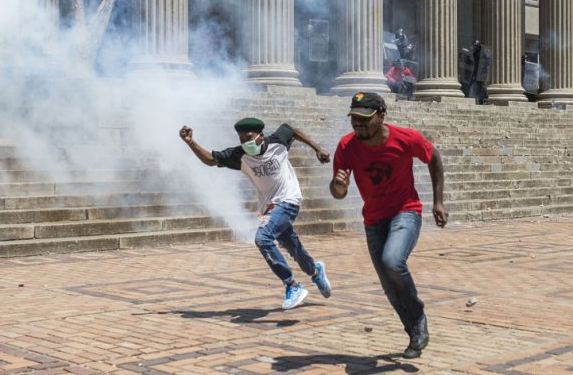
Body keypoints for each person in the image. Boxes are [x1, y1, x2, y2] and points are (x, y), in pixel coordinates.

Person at [329, 92, 448, 359]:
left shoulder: (406, 138)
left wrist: (437, 202)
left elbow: (434, 159)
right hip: (373, 220)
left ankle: (417, 315)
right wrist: (338, 186)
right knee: (389, 286)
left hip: (405, 212)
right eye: (354, 119)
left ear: (381, 116)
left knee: (393, 260)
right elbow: (338, 192)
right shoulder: (346, 146)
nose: (358, 124)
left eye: (364, 119)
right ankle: (415, 333)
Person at [180, 118, 332, 310]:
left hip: (289, 200)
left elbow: (292, 129)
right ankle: (315, 271)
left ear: (260, 135)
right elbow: (211, 159)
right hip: (269, 208)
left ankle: (292, 285)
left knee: (263, 238)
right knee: (292, 246)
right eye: (242, 139)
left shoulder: (278, 140)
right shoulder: (240, 154)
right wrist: (190, 142)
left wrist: (317, 148)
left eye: (249, 138)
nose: (246, 143)